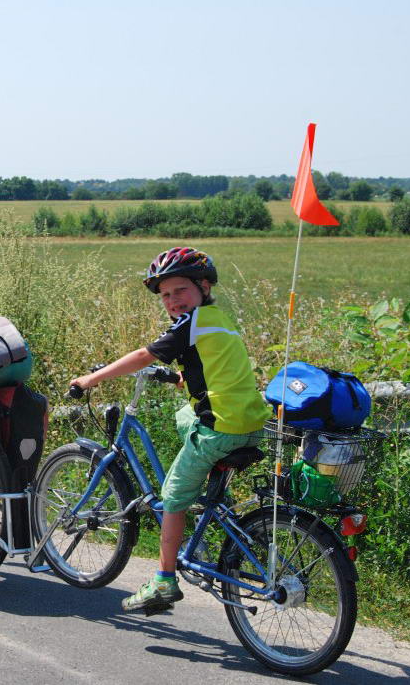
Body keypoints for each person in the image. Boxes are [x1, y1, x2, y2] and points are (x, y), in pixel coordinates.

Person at [69, 247, 270, 613]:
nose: (173, 300)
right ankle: (209, 492)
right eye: (165, 295)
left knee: (172, 496)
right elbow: (215, 369)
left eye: (181, 291)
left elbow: (144, 355)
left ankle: (163, 581)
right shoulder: (217, 318)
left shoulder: (191, 324)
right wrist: (180, 378)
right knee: (183, 415)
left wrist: (91, 379)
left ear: (204, 286)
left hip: (220, 431)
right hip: (251, 422)